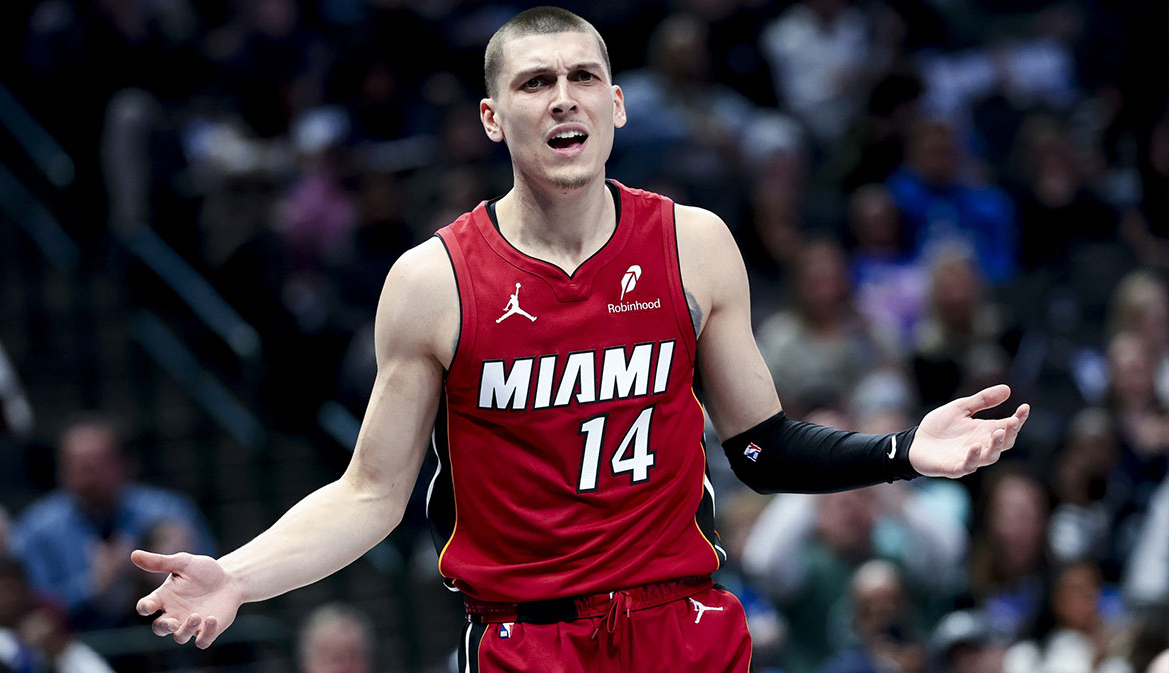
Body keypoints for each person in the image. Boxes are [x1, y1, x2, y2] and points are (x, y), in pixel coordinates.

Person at [129, 8, 1029, 672]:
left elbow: (761, 446)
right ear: (493, 118)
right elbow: (371, 494)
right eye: (534, 82)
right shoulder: (433, 280)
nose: (564, 100)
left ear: (618, 104)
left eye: (583, 78)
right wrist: (238, 576)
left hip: (683, 624)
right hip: (531, 637)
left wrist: (907, 450)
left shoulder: (694, 243)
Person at [11, 416, 216, 630]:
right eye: (77, 465)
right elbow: (29, 606)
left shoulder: (171, 512)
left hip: (164, 638)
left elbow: (213, 576)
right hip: (78, 641)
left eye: (96, 465)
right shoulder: (36, 528)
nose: (87, 477)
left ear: (126, 464)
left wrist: (168, 574)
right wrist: (92, 585)